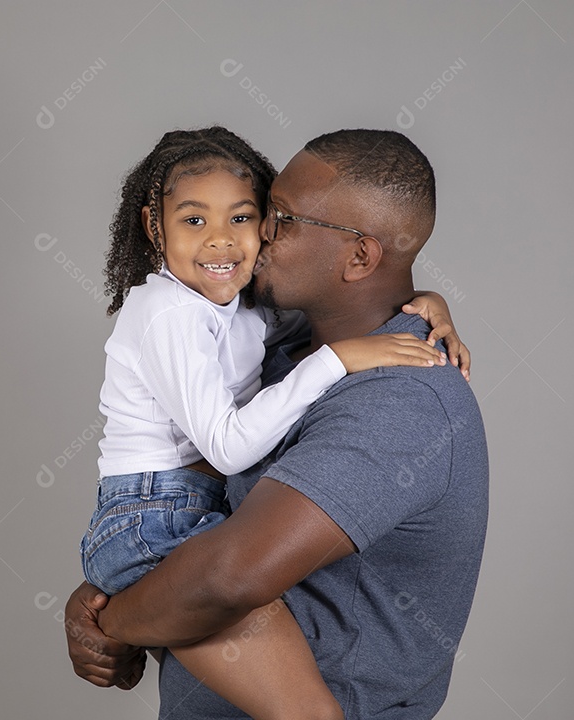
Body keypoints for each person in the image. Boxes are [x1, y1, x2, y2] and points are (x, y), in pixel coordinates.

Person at [65, 129, 489, 720]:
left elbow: (226, 580)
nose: (255, 233)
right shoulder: (287, 348)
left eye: (280, 218)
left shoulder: (400, 400)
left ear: (361, 256)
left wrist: (109, 619)